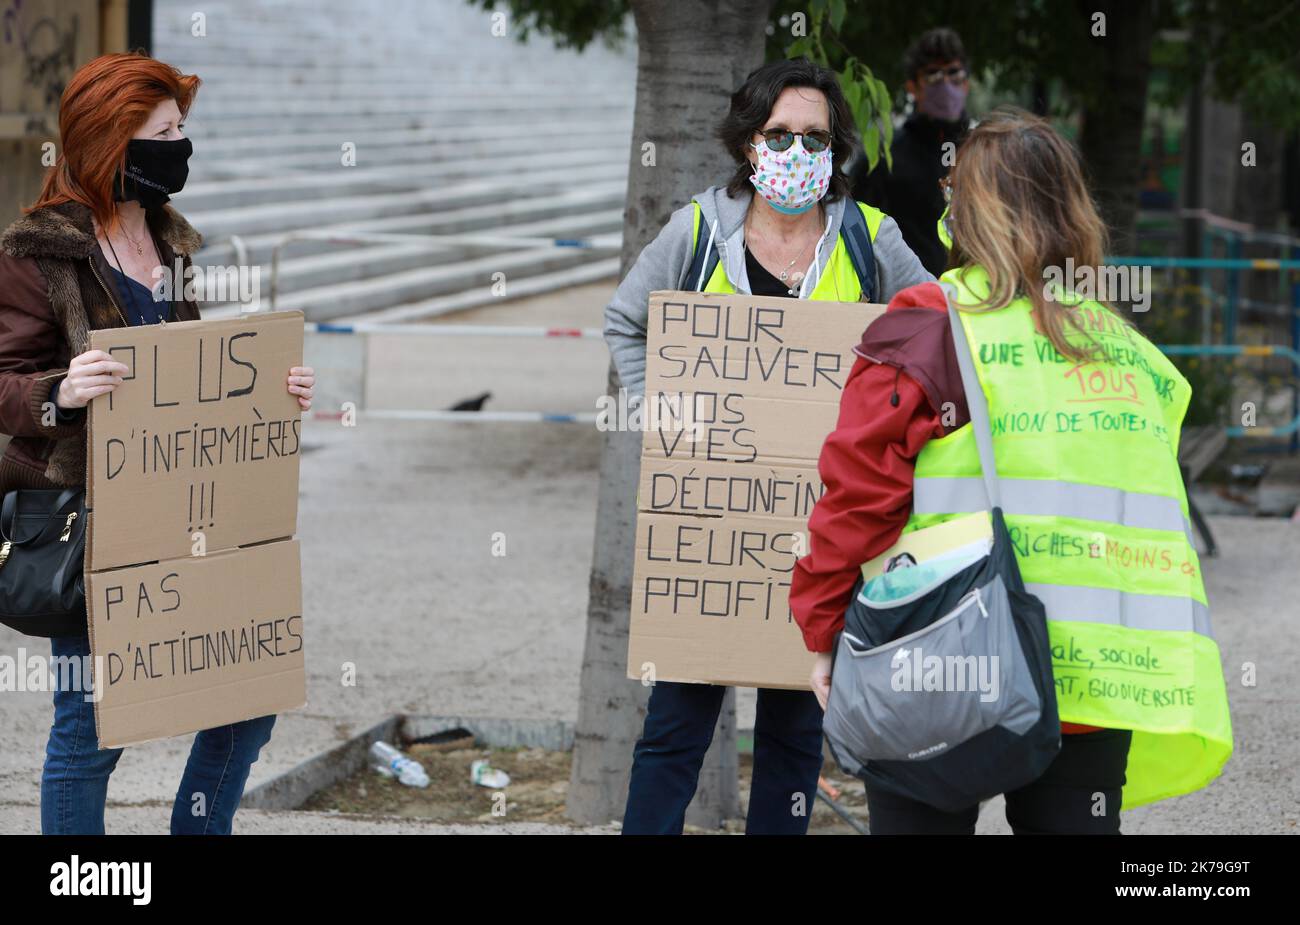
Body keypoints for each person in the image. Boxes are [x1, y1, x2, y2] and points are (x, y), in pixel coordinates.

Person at [790, 108, 1232, 834]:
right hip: (1093, 682)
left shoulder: (925, 326)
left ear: (962, 211)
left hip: (942, 659)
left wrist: (822, 628)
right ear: (1073, 209)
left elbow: (857, 497)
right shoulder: (1130, 354)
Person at [605, 58, 932, 835]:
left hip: (824, 529)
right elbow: (627, 320)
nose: (796, 150)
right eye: (779, 133)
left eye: (814, 136)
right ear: (749, 141)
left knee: (796, 732)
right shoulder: (695, 229)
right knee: (675, 727)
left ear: (837, 145)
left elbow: (930, 333)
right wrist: (663, 416)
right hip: (712, 529)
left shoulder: (872, 238)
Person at [0, 52, 316, 835]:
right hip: (91, 521)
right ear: (113, 141)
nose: (183, 148)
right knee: (91, 727)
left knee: (248, 699)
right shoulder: (38, 255)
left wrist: (271, 393)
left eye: (183, 129)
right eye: (166, 131)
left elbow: (189, 378)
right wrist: (61, 392)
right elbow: (5, 380)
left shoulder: (172, 245)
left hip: (186, 517)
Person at [850, 27, 972, 277]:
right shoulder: (883, 159)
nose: (946, 84)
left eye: (954, 73)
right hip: (907, 298)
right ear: (912, 87)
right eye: (933, 76)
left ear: (967, 84)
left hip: (975, 302)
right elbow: (856, 232)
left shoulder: (985, 155)